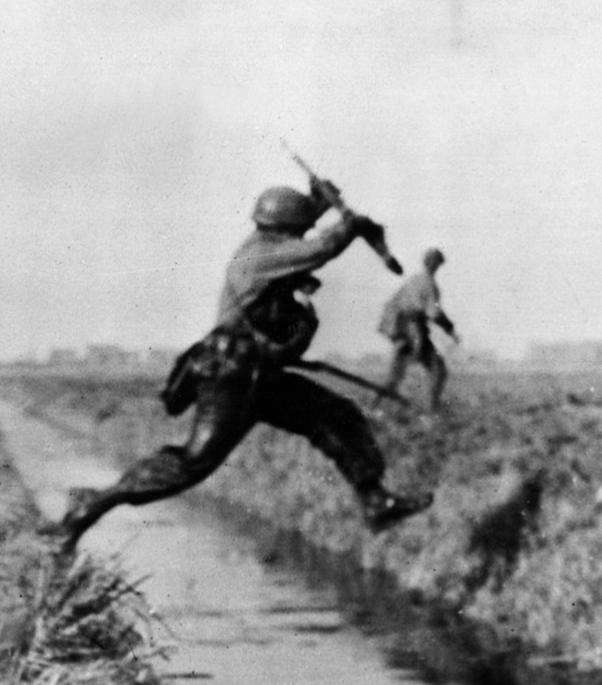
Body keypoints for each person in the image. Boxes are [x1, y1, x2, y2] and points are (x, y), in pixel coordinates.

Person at [55, 179, 433, 552]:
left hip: (257, 375)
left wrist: (320, 202)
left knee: (337, 416)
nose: (304, 233)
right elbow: (323, 247)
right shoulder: (263, 256)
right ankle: (90, 505)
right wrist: (349, 225)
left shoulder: (269, 245)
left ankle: (375, 500)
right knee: (194, 462)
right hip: (232, 375)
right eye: (301, 226)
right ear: (286, 228)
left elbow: (303, 240)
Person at [379, 247, 458, 410]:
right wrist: (450, 329)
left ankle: (376, 408)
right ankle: (431, 410)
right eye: (437, 263)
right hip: (414, 330)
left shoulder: (413, 280)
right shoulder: (429, 283)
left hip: (400, 329)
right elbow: (434, 313)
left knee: (396, 372)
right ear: (437, 264)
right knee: (438, 369)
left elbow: (393, 304)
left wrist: (395, 331)